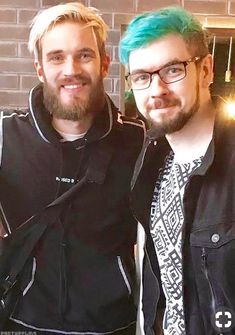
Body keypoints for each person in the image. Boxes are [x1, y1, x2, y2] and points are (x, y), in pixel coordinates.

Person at [0, 2, 145, 334]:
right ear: (40, 69)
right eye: (56, 57)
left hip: (112, 326)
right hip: (20, 321)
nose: (71, 70)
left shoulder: (138, 142)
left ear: (104, 64)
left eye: (84, 55)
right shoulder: (5, 135)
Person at [119, 6, 235, 335]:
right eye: (142, 76)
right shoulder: (151, 159)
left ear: (206, 70)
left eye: (172, 70)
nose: (157, 90)